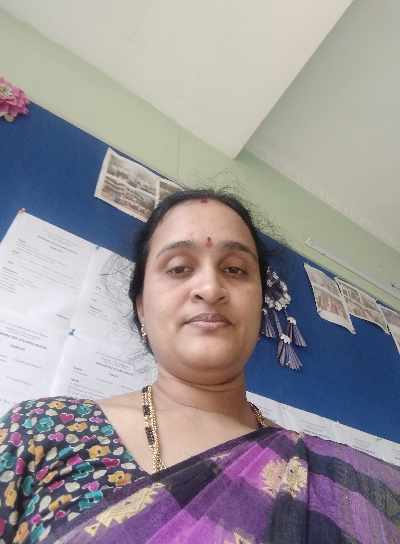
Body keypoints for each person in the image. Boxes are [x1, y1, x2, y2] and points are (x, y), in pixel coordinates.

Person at [0, 189, 399, 544]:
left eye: (235, 269)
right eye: (179, 267)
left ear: (259, 308)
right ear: (141, 308)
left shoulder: (337, 485)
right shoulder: (41, 433)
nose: (210, 288)